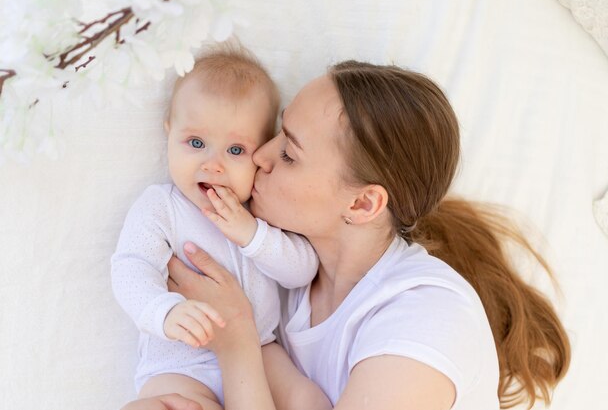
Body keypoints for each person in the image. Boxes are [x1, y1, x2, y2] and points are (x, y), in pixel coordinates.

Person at [124, 60, 571, 410]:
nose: (259, 155)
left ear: (362, 204)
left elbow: (244, 343)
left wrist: (237, 339)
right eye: (276, 131)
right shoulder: (289, 283)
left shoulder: (426, 321)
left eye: (290, 153)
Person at [111, 44, 330, 410]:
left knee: (308, 399)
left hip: (260, 352)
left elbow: (302, 271)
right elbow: (131, 267)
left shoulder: (259, 212)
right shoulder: (161, 206)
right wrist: (163, 312)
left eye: (235, 151)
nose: (212, 165)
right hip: (181, 361)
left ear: (261, 152)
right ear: (169, 134)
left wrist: (251, 234)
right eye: (196, 143)